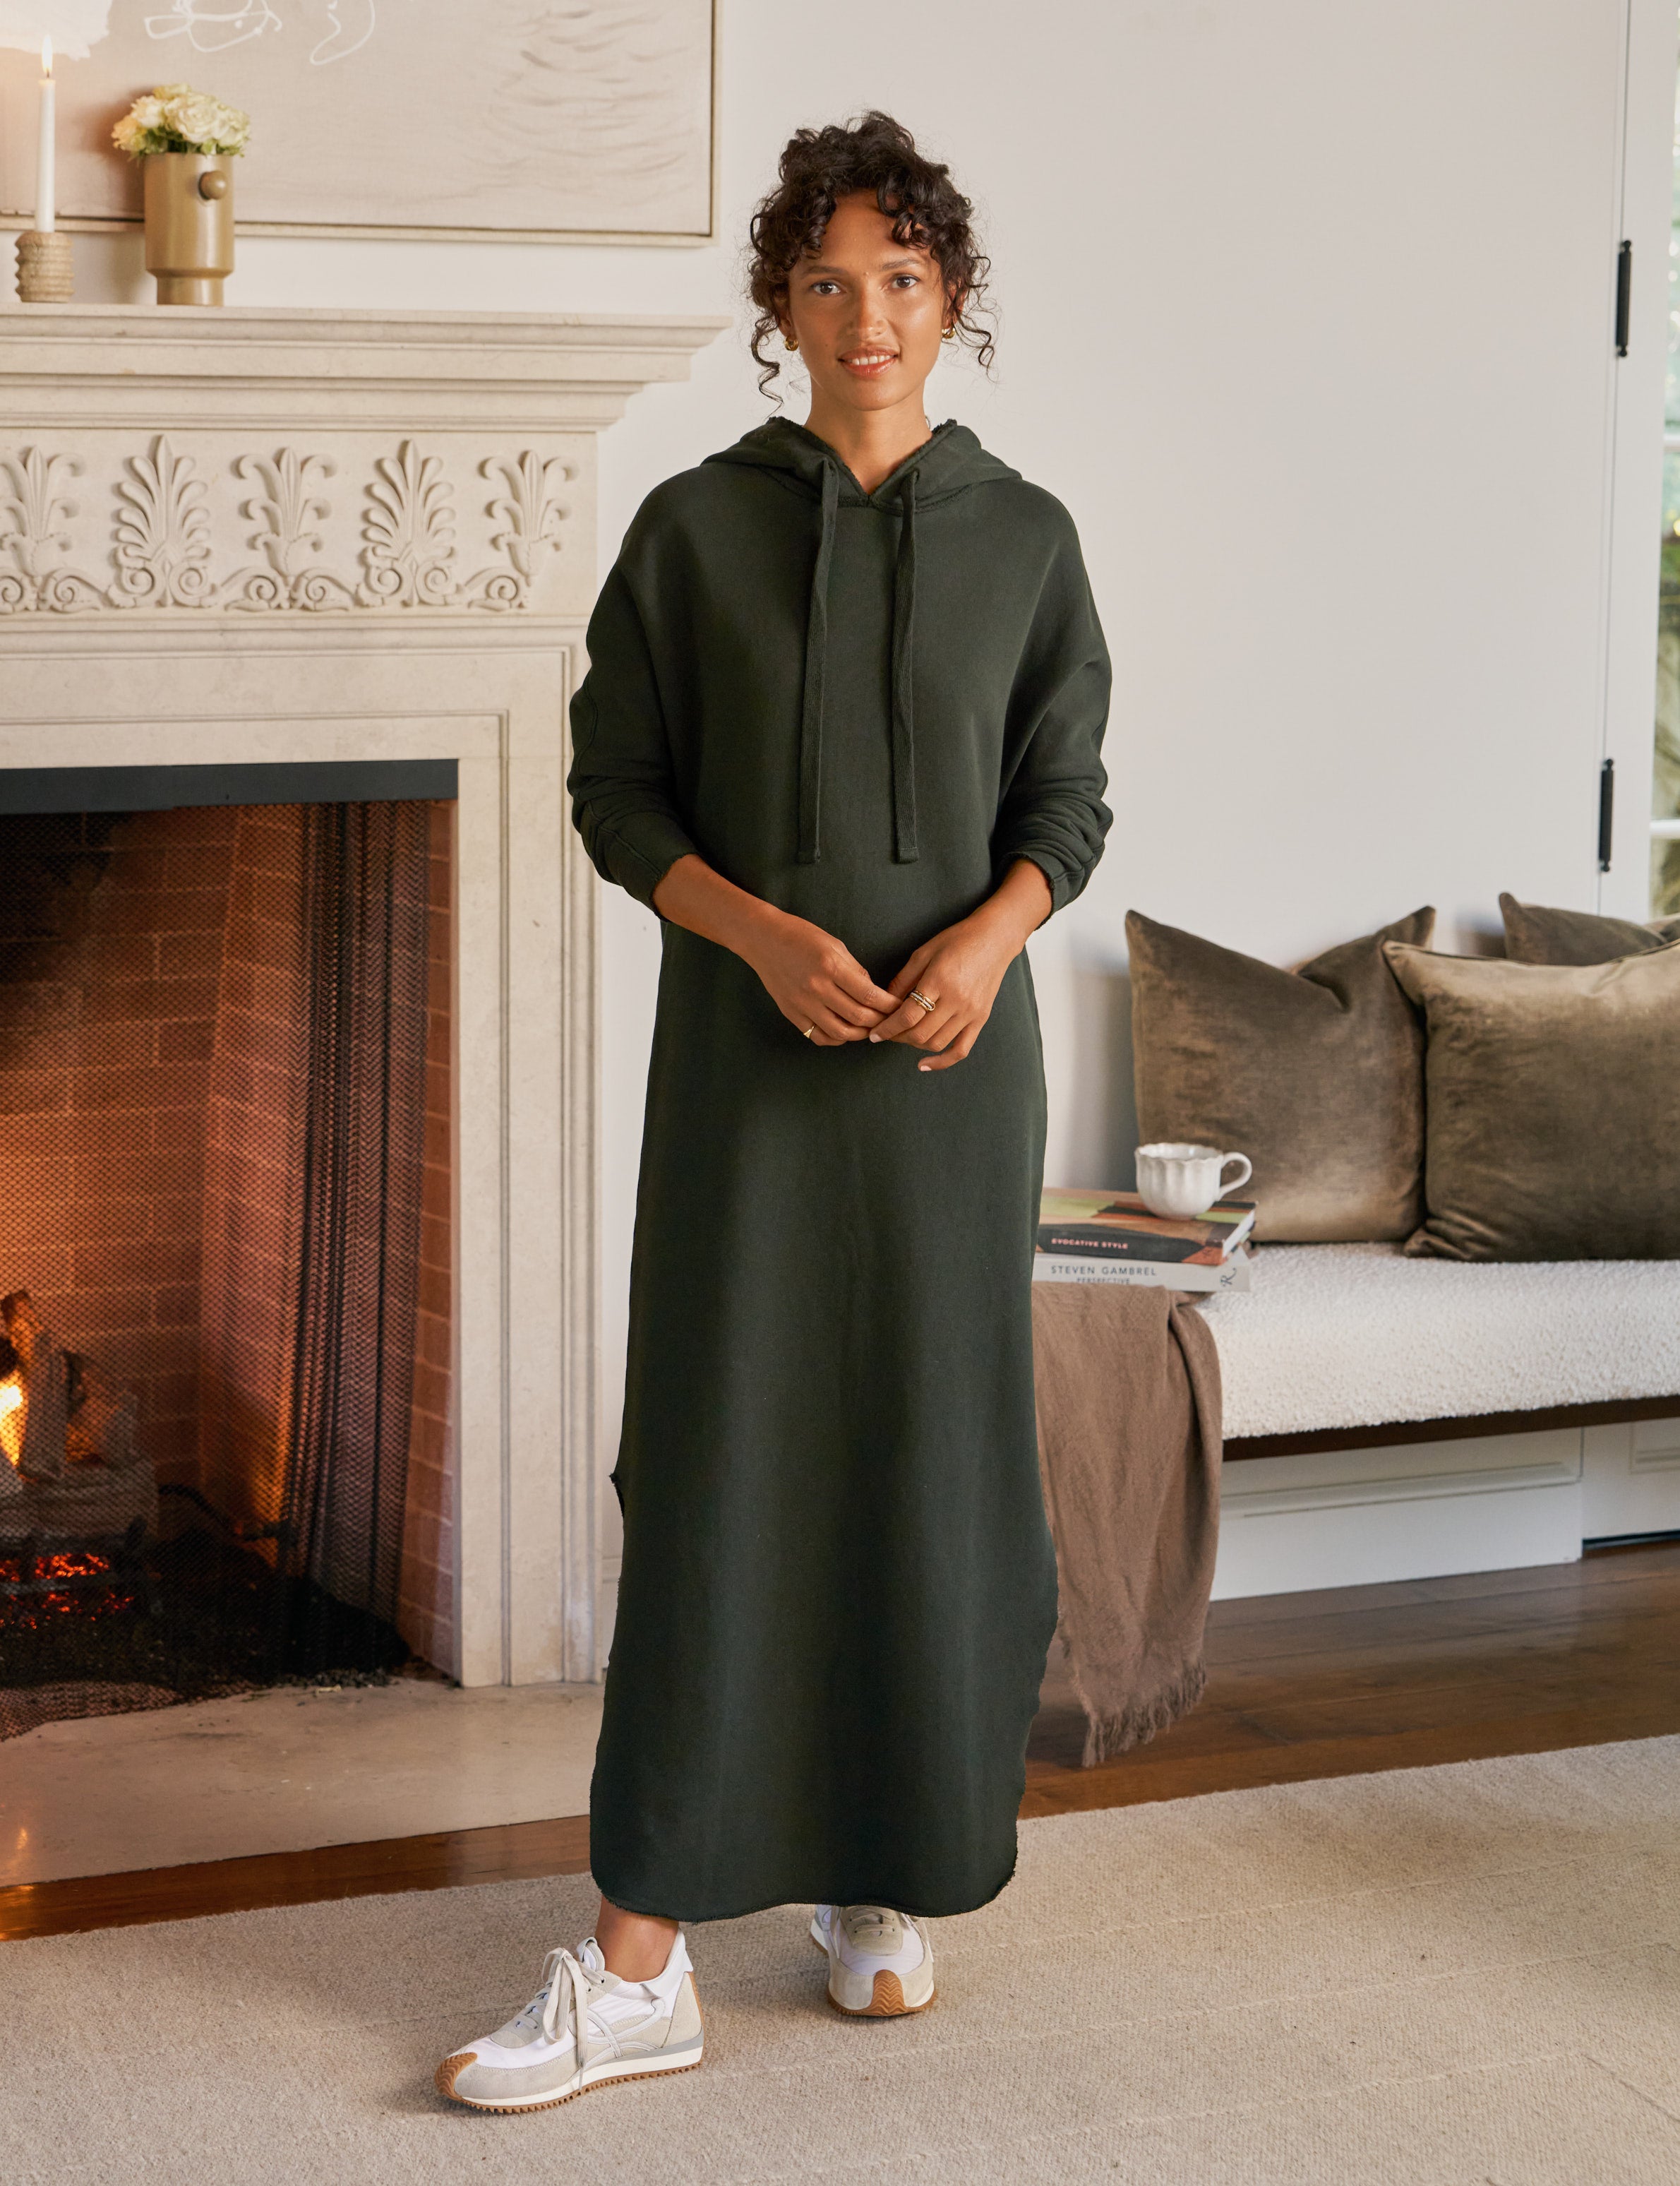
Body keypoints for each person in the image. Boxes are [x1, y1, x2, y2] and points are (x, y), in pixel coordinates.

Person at [435, 109, 1112, 2115]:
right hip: (748, 1078)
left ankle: (879, 1869)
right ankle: (640, 1961)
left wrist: (987, 942)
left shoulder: (1029, 539)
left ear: (951, 297)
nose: (865, 315)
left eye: (900, 277)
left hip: (949, 1087)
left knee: (923, 1459)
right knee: (724, 1458)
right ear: (779, 308)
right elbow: (614, 791)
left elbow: (1065, 801)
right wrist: (756, 936)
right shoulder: (693, 527)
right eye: (827, 281)